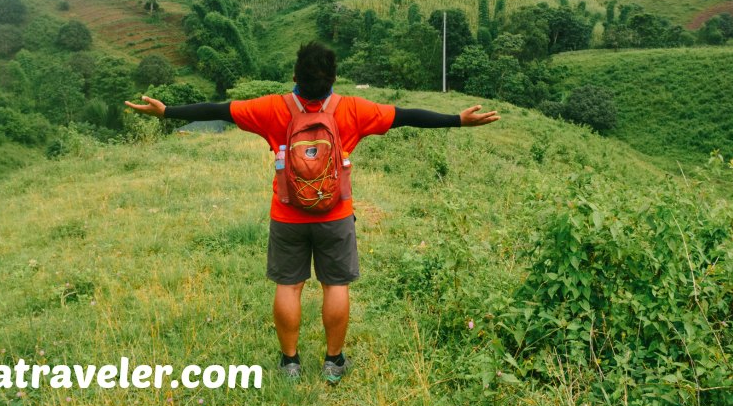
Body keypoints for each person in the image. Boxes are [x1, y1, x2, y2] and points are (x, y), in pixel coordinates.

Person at [125, 41, 498, 384]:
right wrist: (456, 119)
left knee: (289, 286)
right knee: (335, 285)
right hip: (335, 215)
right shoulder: (352, 109)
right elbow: (404, 115)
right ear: (333, 79)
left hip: (287, 214)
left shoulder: (272, 108)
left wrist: (167, 111)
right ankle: (333, 362)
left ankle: (290, 364)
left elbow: (219, 110)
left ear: (294, 77)